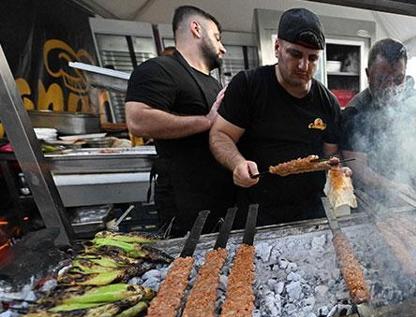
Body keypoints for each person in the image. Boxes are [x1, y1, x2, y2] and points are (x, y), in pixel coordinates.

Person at [209, 8, 348, 226]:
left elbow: (328, 158)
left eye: (312, 58)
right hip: (258, 212)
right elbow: (220, 134)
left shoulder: (328, 102)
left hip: (312, 212)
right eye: (295, 54)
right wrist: (237, 163)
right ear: (277, 48)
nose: (304, 66)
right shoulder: (248, 85)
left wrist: (336, 170)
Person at [126, 5, 232, 236]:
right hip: (185, 203)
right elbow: (138, 120)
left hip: (218, 196)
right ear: (196, 29)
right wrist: (206, 121)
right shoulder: (159, 69)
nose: (222, 48)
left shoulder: (213, 83)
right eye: (217, 38)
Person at [341, 38, 416, 190]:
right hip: (374, 199)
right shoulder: (354, 112)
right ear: (368, 74)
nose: (390, 87)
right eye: (382, 79)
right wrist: (392, 187)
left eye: (398, 79)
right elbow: (357, 167)